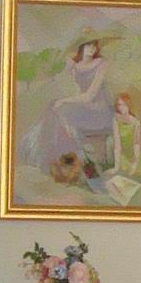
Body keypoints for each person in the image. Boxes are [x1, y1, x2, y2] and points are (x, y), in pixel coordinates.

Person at [22, 37, 118, 182]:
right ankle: (50, 158)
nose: (92, 49)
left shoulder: (102, 64)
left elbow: (89, 95)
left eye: (94, 46)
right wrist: (68, 63)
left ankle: (84, 167)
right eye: (88, 46)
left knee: (61, 109)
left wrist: (64, 100)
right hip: (85, 108)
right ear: (81, 47)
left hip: (99, 110)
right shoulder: (76, 65)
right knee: (53, 109)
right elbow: (54, 75)